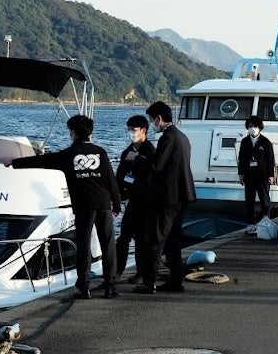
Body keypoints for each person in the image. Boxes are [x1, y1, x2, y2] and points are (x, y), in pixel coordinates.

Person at [11, 114, 121, 299]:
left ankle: (83, 287)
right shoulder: (100, 152)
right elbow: (110, 179)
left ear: (73, 133)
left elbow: (42, 161)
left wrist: (15, 163)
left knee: (83, 245)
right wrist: (116, 204)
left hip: (84, 205)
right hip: (103, 203)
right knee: (108, 244)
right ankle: (110, 286)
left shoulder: (69, 154)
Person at [134, 101, 196, 295]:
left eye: (152, 119)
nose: (152, 123)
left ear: (159, 118)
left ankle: (149, 282)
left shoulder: (167, 138)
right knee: (173, 240)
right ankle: (176, 281)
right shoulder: (182, 137)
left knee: (157, 239)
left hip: (168, 196)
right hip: (183, 194)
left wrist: (137, 160)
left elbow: (156, 165)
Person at [114, 115, 155, 285]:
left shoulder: (150, 151)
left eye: (134, 129)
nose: (131, 132)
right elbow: (121, 175)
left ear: (143, 130)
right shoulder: (127, 151)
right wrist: (117, 195)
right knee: (124, 237)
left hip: (146, 201)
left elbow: (150, 175)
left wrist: (136, 162)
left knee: (142, 239)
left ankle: (141, 272)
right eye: (129, 129)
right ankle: (117, 271)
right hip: (132, 200)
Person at [237, 115, 275, 233]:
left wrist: (271, 175)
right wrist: (241, 174)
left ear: (259, 127)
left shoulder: (266, 142)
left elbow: (270, 160)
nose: (252, 128)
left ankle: (266, 220)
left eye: (254, 126)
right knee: (249, 200)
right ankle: (250, 224)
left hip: (262, 175)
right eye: (250, 126)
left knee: (264, 198)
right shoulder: (245, 142)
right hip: (249, 174)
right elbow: (241, 158)